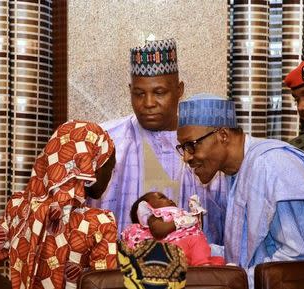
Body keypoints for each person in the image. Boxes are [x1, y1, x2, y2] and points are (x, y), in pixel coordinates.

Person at [176, 93, 304, 288]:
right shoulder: (238, 172)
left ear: (223, 135)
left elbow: (296, 263)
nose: (186, 157)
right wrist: (192, 252)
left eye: (192, 146)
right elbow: (247, 254)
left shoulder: (270, 164)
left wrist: (229, 281)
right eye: (183, 148)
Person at [92, 38, 227, 244]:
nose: (148, 103)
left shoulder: (208, 142)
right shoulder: (105, 139)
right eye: (139, 94)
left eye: (159, 92)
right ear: (130, 90)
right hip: (121, 270)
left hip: (196, 269)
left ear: (179, 90)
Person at [0, 120, 118, 289]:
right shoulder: (99, 224)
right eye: (111, 168)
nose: (111, 176)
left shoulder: (19, 209)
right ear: (92, 167)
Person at [121, 191, 225, 266]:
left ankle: (204, 264)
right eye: (162, 197)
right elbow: (158, 231)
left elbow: (196, 229)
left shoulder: (179, 213)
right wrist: (178, 223)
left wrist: (196, 213)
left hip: (191, 245)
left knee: (201, 242)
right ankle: (202, 265)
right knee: (195, 241)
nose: (169, 199)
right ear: (148, 208)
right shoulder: (156, 215)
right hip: (175, 247)